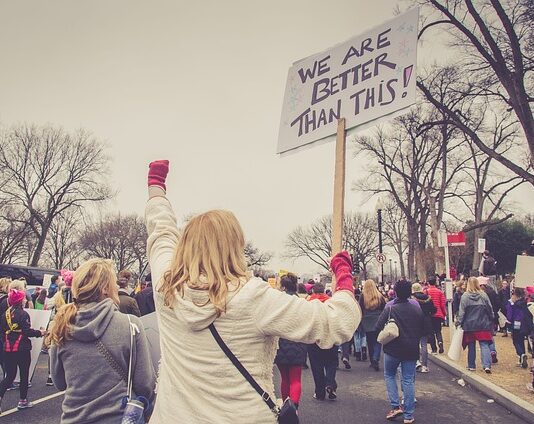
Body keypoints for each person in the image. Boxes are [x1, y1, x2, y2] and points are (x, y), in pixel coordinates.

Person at [144, 160, 360, 423]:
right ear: (235, 246)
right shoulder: (252, 297)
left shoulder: (166, 287)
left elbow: (161, 231)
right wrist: (343, 273)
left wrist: (156, 188)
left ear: (185, 245)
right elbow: (337, 322)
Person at [48, 258, 156, 424]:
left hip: (73, 418)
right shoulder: (130, 325)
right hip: (118, 418)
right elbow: (145, 385)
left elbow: (59, 383)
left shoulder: (61, 326)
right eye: (114, 283)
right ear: (105, 288)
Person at [376, 280, 424, 424]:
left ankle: (395, 406)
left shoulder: (390, 308)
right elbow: (423, 328)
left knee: (389, 375)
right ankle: (409, 415)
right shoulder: (416, 308)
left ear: (395, 292)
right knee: (408, 379)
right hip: (411, 348)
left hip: (393, 348)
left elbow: (378, 325)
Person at [0, 289, 45, 413]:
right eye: (24, 298)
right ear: (20, 301)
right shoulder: (23, 314)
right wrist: (40, 333)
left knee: (9, 376)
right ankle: (23, 400)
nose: (26, 300)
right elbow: (27, 331)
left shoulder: (5, 314)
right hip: (22, 349)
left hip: (8, 348)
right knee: (24, 375)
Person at [274, 274, 307, 409]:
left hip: (281, 342)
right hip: (297, 342)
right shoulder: (301, 302)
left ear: (283, 286)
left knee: (285, 379)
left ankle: (285, 407)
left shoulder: (278, 302)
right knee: (295, 380)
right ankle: (293, 407)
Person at [306, 283, 341, 401]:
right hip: (330, 337)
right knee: (331, 363)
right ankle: (330, 383)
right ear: (325, 291)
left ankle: (319, 393)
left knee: (317, 366)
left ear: (314, 292)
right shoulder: (331, 302)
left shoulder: (308, 303)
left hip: (314, 339)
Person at [456, 277, 494, 373]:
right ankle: (487, 365)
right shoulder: (483, 295)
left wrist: (459, 322)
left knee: (471, 345)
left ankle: (471, 365)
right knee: (484, 344)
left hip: (470, 324)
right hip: (483, 323)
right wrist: (491, 317)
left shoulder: (465, 296)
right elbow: (489, 308)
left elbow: (462, 312)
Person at [359, 279, 386, 371]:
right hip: (378, 320)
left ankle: (372, 360)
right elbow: (384, 308)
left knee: (369, 342)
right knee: (378, 341)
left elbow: (360, 308)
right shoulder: (379, 296)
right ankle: (376, 358)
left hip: (367, 321)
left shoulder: (363, 296)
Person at [412, 283, 437, 373]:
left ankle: (417, 361)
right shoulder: (428, 298)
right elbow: (434, 309)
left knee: (415, 343)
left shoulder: (412, 299)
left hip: (414, 322)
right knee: (424, 344)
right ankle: (425, 366)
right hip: (426, 321)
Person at [506, 288, 530, 369]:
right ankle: (522, 358)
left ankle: (521, 354)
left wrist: (508, 322)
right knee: (521, 340)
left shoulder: (512, 303)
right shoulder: (524, 302)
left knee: (515, 340)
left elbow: (509, 315)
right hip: (524, 323)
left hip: (515, 323)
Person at [479, 278, 501, 363]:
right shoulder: (492, 293)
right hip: (491, 317)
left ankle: (487, 357)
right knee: (490, 335)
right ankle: (492, 351)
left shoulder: (479, 295)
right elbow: (498, 303)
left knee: (483, 339)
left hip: (481, 318)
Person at [425, 277, 446, 354]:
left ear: (428, 283)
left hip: (429, 314)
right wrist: (444, 313)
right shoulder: (440, 292)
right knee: (438, 331)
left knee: (431, 332)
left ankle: (434, 349)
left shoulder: (426, 292)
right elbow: (442, 304)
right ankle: (440, 343)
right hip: (438, 314)